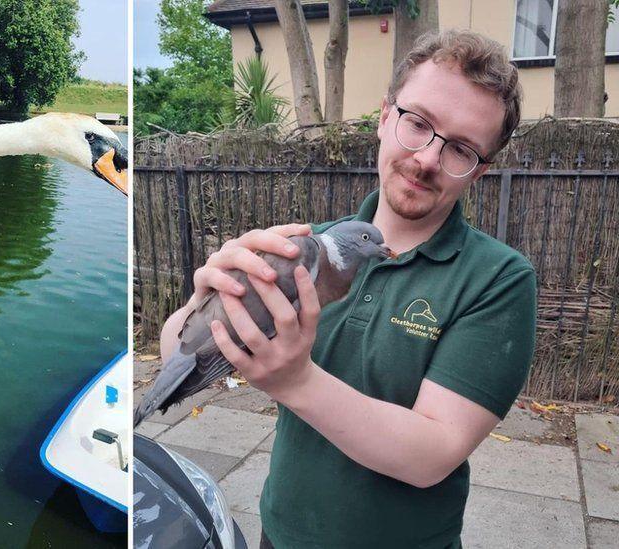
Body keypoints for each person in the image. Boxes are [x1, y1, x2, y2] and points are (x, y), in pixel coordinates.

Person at [159, 30, 536, 547]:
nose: (427, 158)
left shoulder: (498, 280)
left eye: (461, 149)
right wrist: (204, 298)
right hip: (281, 534)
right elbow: (172, 352)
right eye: (418, 123)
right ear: (385, 119)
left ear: (479, 171)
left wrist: (293, 381)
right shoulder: (301, 248)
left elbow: (432, 454)